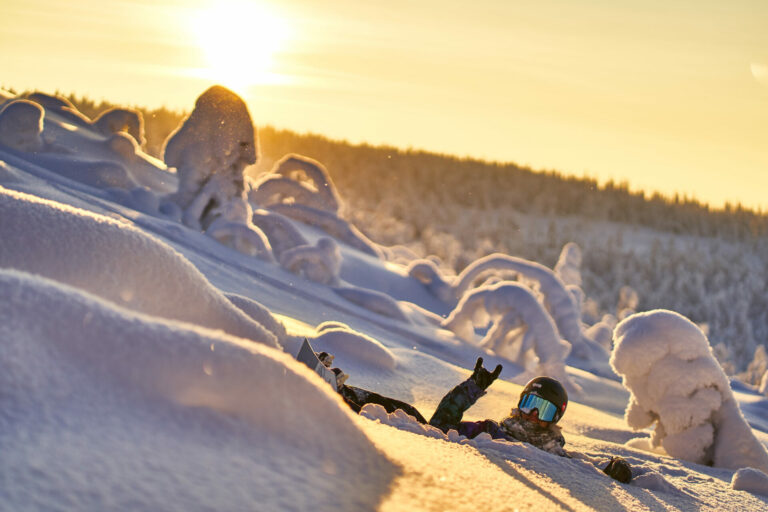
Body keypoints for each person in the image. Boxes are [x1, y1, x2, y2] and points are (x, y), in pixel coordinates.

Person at [319, 352, 632, 482]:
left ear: (555, 419)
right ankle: (342, 391)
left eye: (543, 410)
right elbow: (440, 426)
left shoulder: (555, 454)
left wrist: (615, 469)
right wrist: (471, 389)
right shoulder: (491, 429)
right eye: (529, 404)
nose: (532, 415)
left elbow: (588, 468)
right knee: (411, 415)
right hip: (439, 454)